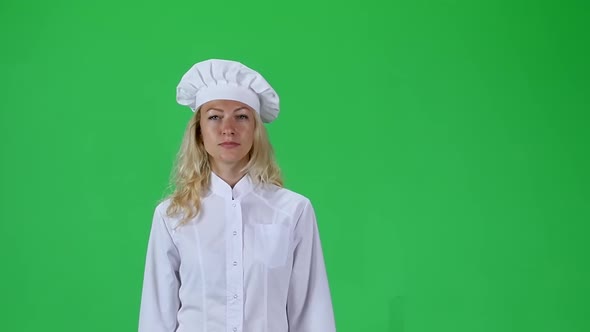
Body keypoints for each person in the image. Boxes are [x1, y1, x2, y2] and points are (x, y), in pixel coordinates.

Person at [138, 59, 336, 332]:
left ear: (256, 130)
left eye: (241, 116)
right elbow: (156, 316)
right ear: (199, 132)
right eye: (215, 116)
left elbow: (311, 312)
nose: (227, 128)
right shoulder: (173, 215)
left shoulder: (293, 211)